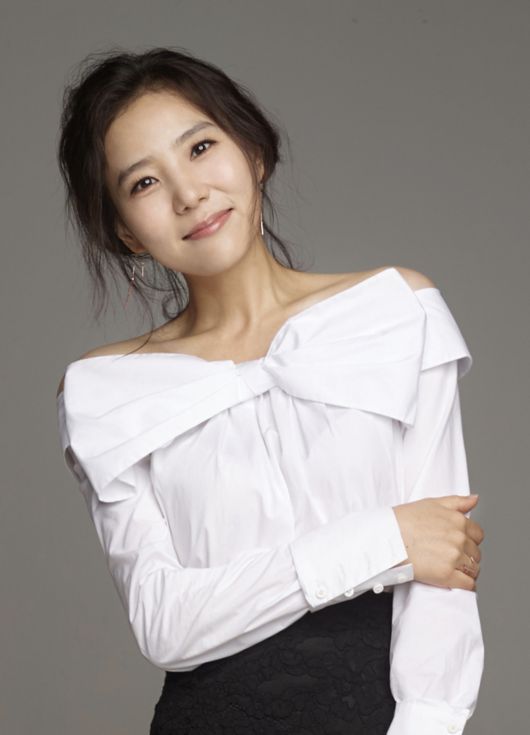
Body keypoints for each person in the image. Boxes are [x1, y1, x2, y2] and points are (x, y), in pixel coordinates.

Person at [55, 47, 485, 734]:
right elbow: (165, 624)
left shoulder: (395, 313)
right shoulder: (109, 392)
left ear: (253, 151)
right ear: (125, 232)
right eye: (144, 182)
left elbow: (443, 589)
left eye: (201, 147)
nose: (189, 194)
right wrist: (385, 539)